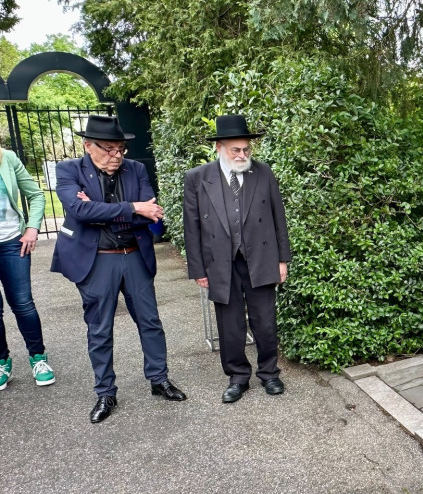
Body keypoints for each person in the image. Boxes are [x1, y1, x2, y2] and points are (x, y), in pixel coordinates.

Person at [52, 115, 187, 424]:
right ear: (88, 146)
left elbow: (151, 215)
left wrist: (102, 211)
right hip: (96, 259)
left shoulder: (136, 169)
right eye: (109, 149)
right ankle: (105, 392)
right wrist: (131, 207)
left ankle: (159, 379)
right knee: (100, 329)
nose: (116, 156)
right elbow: (79, 210)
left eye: (121, 149)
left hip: (134, 255)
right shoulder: (68, 171)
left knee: (150, 321)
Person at [182, 115, 290, 404]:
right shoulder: (197, 178)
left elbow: (279, 219)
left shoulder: (263, 173)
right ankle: (237, 377)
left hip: (262, 258)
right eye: (236, 150)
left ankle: (269, 373)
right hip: (220, 262)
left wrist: (283, 260)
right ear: (219, 147)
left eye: (246, 150)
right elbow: (191, 227)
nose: (243, 156)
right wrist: (198, 269)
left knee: (265, 322)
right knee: (230, 325)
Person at [0, 147, 53, 390]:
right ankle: (2, 362)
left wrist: (32, 228)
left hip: (12, 243)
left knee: (22, 303)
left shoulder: (6, 158)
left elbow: (36, 194)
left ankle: (38, 358)